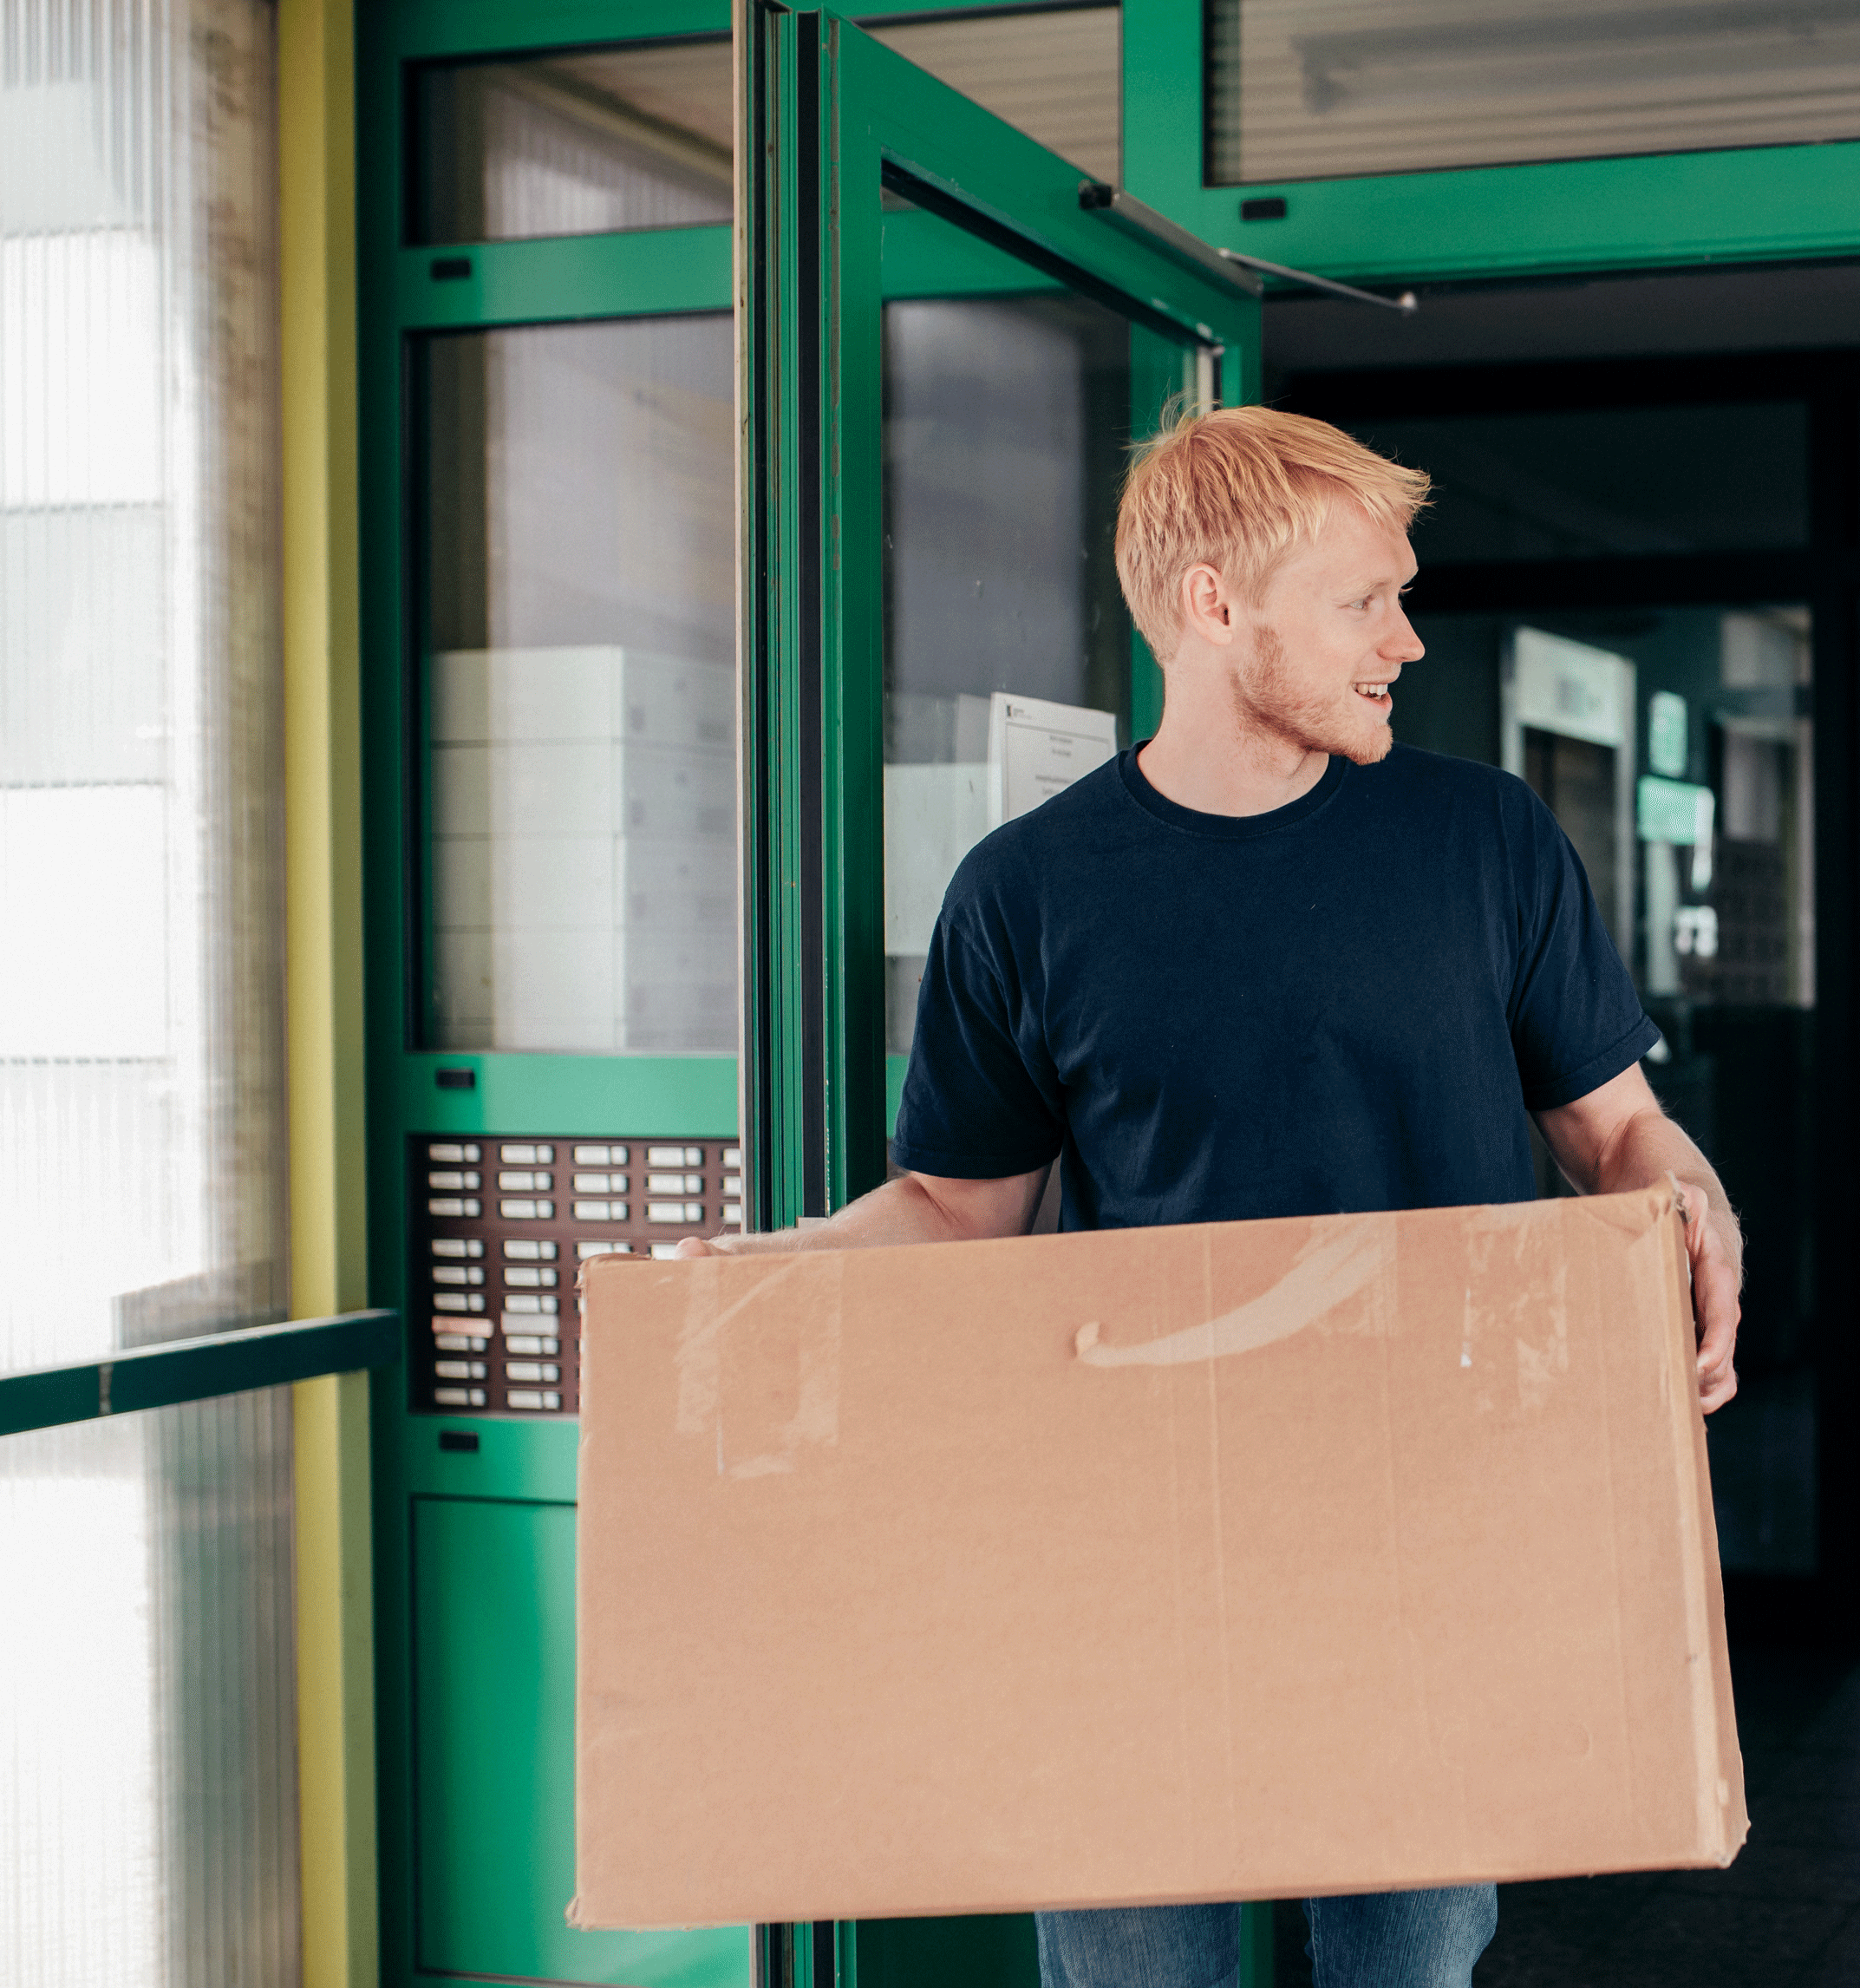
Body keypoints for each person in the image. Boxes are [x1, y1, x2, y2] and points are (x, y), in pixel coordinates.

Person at [676, 403, 1746, 1988]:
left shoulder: (1485, 841)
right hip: (1135, 1548)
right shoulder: (1026, 893)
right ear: (1213, 604)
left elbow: (1617, 1128)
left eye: (1401, 598)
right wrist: (778, 1268)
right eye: (1363, 601)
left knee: (1407, 1969)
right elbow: (959, 1206)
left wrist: (1692, 1200)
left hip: (1425, 1532)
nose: (1406, 640)